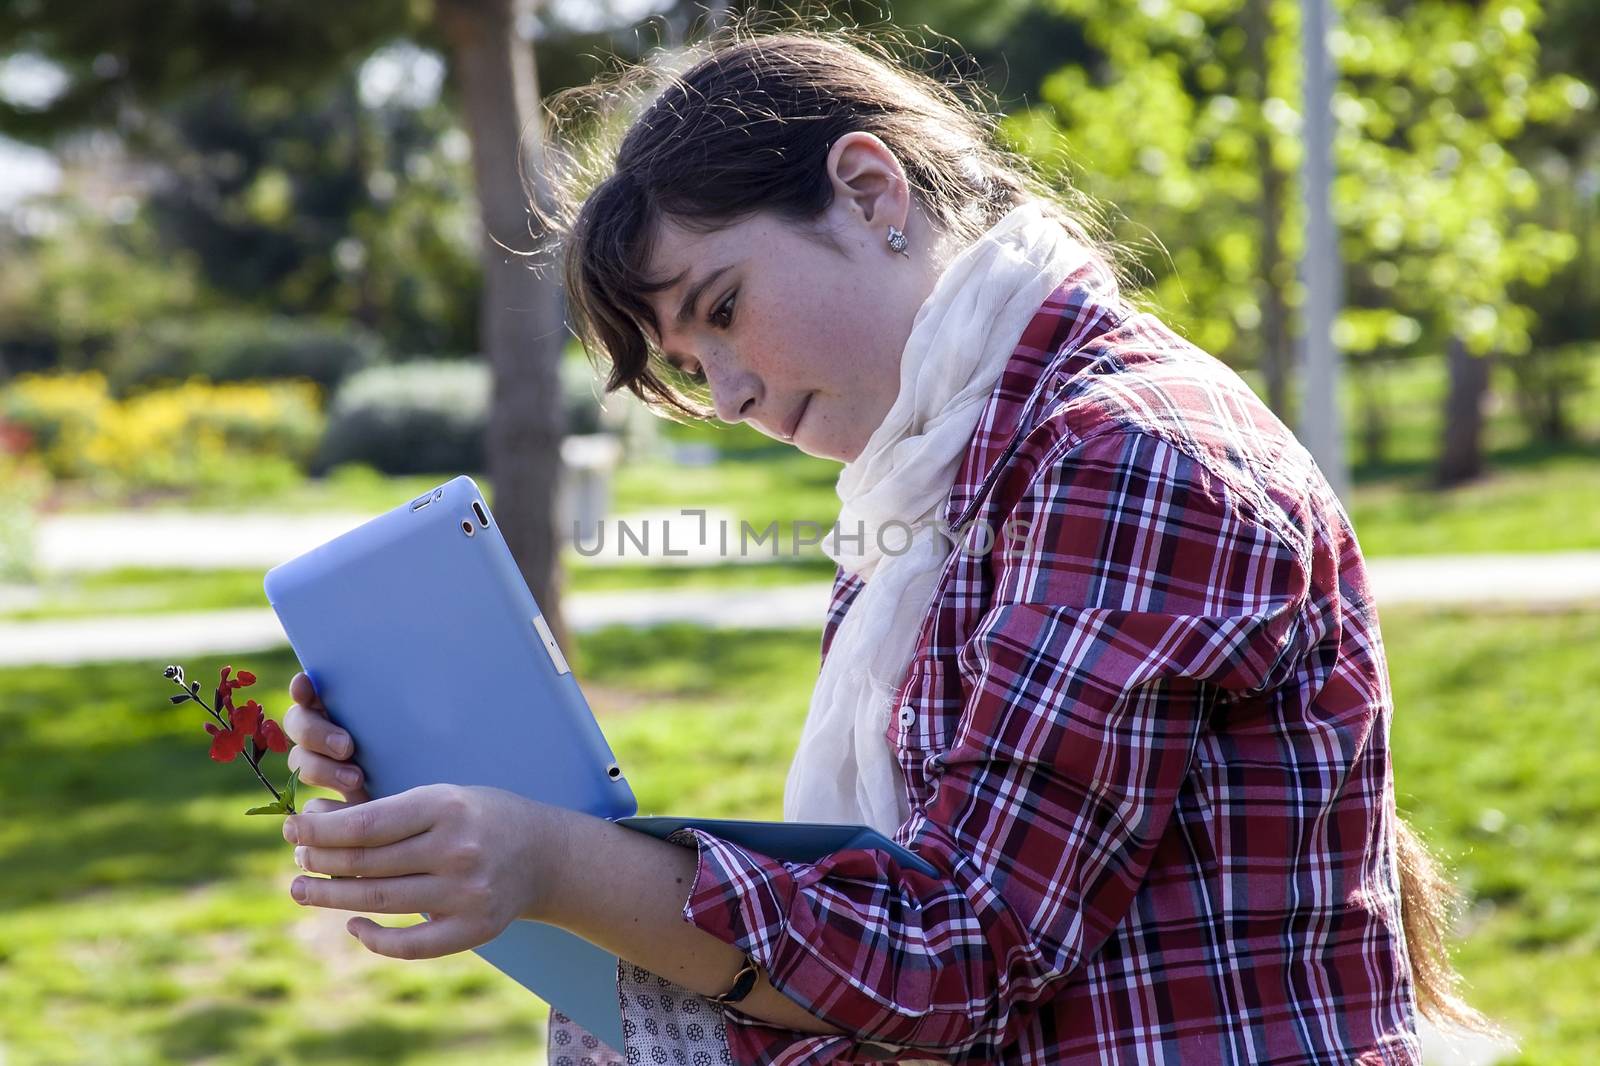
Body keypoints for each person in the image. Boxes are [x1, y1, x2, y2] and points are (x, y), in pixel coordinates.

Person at [278, 26, 1499, 1066]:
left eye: (722, 307)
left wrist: (556, 862)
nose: (737, 392)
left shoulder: (1124, 453)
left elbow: (954, 953)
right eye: (694, 370)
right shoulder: (938, 468)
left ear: (869, 192)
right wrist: (481, 826)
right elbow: (895, 948)